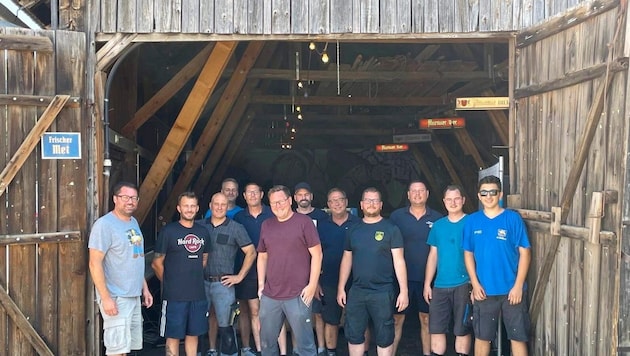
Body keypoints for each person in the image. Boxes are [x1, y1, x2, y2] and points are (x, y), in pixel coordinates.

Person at [463, 175, 531, 356]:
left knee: (517, 337)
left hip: (512, 291)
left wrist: (518, 286)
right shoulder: (472, 221)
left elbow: (525, 253)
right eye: (484, 193)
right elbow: (468, 253)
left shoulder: (512, 219)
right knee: (482, 337)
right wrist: (475, 284)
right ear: (479, 196)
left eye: (493, 192)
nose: (489, 196)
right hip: (484, 291)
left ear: (500, 194)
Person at [337, 187, 409, 356]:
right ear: (361, 205)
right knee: (354, 335)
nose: (371, 204)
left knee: (384, 336)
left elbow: (399, 261)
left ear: (381, 205)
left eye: (375, 200)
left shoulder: (391, 229)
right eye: (368, 200)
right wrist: (341, 287)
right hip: (357, 291)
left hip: (383, 292)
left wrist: (404, 291)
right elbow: (347, 259)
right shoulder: (353, 230)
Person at [88, 182, 154, 356]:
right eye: (125, 197)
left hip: (133, 295)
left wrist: (145, 289)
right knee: (117, 349)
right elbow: (94, 263)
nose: (130, 202)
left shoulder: (133, 223)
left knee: (128, 348)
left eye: (133, 198)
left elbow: (135, 258)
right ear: (115, 199)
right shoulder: (104, 225)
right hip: (116, 297)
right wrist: (106, 298)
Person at [257, 185, 323, 356]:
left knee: (305, 346)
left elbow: (317, 255)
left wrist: (311, 285)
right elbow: (262, 256)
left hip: (298, 294)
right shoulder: (266, 225)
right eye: (273, 203)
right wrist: (261, 285)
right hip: (271, 295)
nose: (278, 206)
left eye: (281, 201)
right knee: (267, 344)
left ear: (289, 200)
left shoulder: (304, 222)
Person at [151, 192, 211, 356]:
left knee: (193, 334)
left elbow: (204, 258)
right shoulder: (168, 231)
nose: (189, 209)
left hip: (197, 294)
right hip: (174, 297)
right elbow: (156, 263)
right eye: (186, 206)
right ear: (179, 208)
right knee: (173, 335)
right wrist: (169, 282)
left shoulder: (203, 232)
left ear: (197, 209)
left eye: (193, 206)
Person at [199, 193, 257, 356]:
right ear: (210, 205)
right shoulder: (199, 226)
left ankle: (229, 354)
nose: (219, 207)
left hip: (223, 284)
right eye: (216, 204)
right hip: (200, 283)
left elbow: (251, 252)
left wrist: (239, 276)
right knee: (203, 321)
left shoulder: (236, 228)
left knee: (227, 325)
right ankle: (211, 350)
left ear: (227, 206)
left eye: (223, 204)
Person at [389, 180, 443, 356]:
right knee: (397, 319)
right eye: (414, 191)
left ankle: (428, 353)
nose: (418, 194)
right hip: (400, 278)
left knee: (426, 319)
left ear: (427, 194)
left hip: (428, 278)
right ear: (408, 195)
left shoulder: (437, 218)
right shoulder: (396, 217)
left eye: (421, 191)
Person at [423, 185, 472, 356]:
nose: (453, 202)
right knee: (437, 329)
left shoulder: (471, 223)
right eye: (449, 199)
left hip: (465, 284)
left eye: (457, 198)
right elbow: (433, 256)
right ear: (444, 202)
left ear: (463, 200)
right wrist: (427, 284)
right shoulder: (438, 226)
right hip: (440, 285)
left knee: (462, 328)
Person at [316, 188, 360, 356]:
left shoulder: (358, 224)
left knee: (359, 320)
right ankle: (331, 352)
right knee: (331, 320)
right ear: (328, 205)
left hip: (356, 281)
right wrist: (316, 282)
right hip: (328, 281)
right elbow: (315, 255)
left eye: (340, 199)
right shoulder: (321, 226)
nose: (337, 203)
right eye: (333, 201)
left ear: (346, 202)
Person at [234, 182, 276, 356]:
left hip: (271, 269)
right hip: (245, 269)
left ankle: (264, 348)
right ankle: (246, 347)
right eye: (248, 192)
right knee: (245, 310)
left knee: (263, 310)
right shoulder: (238, 217)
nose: (252, 195)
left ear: (261, 194)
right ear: (243, 196)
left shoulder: (272, 214)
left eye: (255, 192)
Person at [293, 181, 328, 355]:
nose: (303, 197)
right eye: (300, 194)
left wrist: (317, 279)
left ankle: (321, 347)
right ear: (294, 198)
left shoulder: (322, 216)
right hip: (295, 273)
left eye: (306, 194)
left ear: (311, 197)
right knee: (294, 315)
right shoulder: (289, 216)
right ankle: (296, 349)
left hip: (316, 271)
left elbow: (323, 250)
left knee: (318, 313)